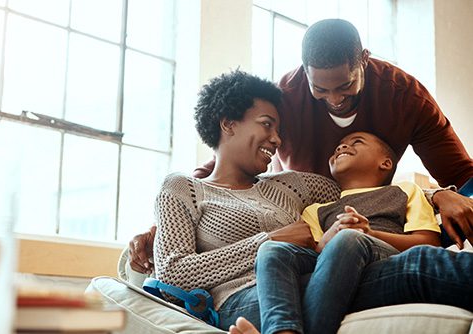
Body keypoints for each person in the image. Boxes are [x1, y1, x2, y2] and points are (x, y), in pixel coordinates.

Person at [192, 18, 473, 249]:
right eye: (321, 90)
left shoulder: (405, 98)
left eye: (345, 86)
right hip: (307, 226)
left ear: (364, 59)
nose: (335, 99)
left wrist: (441, 196)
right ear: (305, 71)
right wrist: (177, 214)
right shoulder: (285, 99)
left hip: (382, 225)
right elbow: (229, 160)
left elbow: (463, 175)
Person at [151, 69, 341, 330]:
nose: (277, 139)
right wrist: (270, 241)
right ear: (228, 123)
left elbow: (351, 194)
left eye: (278, 129)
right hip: (243, 300)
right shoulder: (183, 188)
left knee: (416, 264)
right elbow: (173, 276)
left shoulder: (293, 184)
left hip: (311, 278)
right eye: (266, 124)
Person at [237, 131, 443, 334]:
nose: (341, 147)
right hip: (337, 264)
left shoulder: (404, 190)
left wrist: (369, 233)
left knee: (349, 238)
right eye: (339, 145)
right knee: (272, 249)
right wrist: (327, 239)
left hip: (383, 254)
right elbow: (318, 258)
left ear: (385, 163)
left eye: (357, 142)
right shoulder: (316, 209)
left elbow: (429, 243)